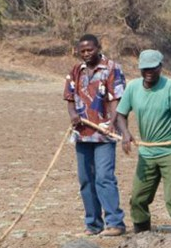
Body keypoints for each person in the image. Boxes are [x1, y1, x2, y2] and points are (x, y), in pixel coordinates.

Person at [115, 49, 171, 241]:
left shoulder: (170, 87)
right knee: (138, 199)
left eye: (153, 68)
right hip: (147, 152)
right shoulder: (133, 87)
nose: (149, 72)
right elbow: (121, 114)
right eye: (145, 69)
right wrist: (125, 133)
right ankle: (142, 242)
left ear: (160, 67)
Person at [63, 34, 126, 237]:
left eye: (90, 50)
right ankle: (93, 225)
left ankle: (115, 223)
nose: (86, 54)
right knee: (86, 179)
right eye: (82, 51)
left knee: (104, 177)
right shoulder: (76, 70)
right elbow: (70, 98)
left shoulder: (111, 68)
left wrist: (113, 122)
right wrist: (73, 115)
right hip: (82, 134)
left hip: (104, 134)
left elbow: (117, 100)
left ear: (98, 47)